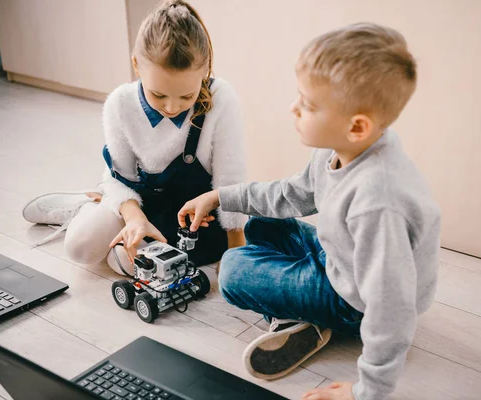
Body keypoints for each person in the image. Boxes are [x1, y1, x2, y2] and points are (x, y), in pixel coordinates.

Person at [179, 23, 441, 400]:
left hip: (358, 300)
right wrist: (221, 196)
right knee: (261, 222)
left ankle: (312, 320)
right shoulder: (343, 148)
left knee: (233, 270)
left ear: (357, 126)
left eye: (308, 104)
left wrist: (364, 393)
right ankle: (301, 316)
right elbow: (291, 195)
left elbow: (391, 307)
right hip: (343, 259)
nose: (293, 107)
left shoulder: (377, 202)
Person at [22, 0, 247, 274]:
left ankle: (103, 209)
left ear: (205, 70)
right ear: (137, 66)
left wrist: (237, 249)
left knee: (130, 264)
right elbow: (121, 176)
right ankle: (87, 203)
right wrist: (134, 218)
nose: (172, 107)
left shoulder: (221, 98)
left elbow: (230, 181)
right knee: (80, 248)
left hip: (195, 217)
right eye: (158, 95)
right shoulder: (119, 103)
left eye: (187, 96)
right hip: (139, 201)